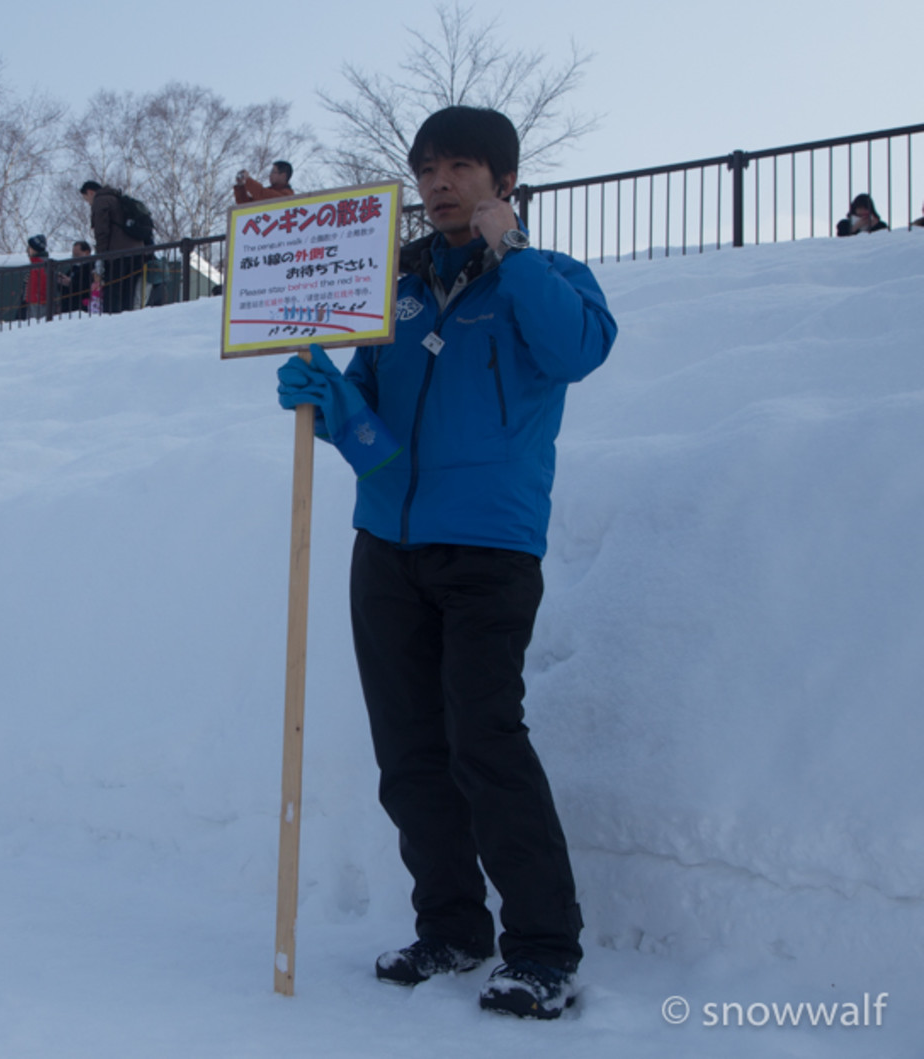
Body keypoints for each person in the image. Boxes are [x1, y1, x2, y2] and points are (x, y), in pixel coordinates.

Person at [277, 106, 617, 1020]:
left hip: (490, 547)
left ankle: (544, 949)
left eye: (461, 166)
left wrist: (516, 250)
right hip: (386, 545)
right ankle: (453, 927)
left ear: (503, 179)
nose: (438, 183)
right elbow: (378, 440)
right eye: (427, 168)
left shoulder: (546, 280)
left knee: (484, 741)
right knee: (409, 751)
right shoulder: (395, 289)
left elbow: (578, 351)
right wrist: (329, 398)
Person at [80, 180, 143, 314]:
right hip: (137, 252)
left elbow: (102, 232)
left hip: (117, 253)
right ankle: (126, 320)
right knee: (128, 291)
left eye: (86, 199)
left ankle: (112, 322)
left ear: (90, 192)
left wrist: (100, 256)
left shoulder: (100, 201)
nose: (88, 203)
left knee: (113, 291)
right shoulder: (118, 198)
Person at [57, 240, 94, 315]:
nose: (74, 258)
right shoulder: (73, 268)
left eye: (77, 255)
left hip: (81, 309)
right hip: (67, 309)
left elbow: (88, 286)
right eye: (73, 255)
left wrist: (71, 283)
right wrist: (61, 282)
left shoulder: (92, 268)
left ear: (87, 252)